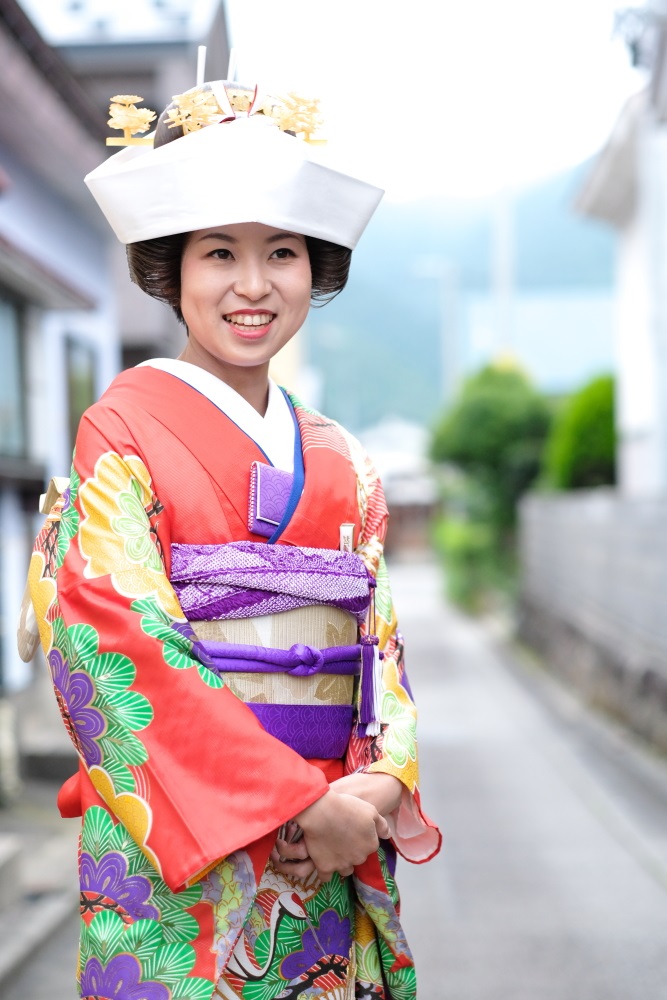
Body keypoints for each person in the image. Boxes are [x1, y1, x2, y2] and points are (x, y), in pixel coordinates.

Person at [24, 79, 441, 1000]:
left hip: (330, 844)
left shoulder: (347, 462)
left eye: (281, 254)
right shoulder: (121, 432)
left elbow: (381, 659)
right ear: (171, 269)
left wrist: (372, 792)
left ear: (314, 269)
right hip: (187, 863)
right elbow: (117, 647)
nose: (253, 286)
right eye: (220, 253)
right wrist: (295, 805)